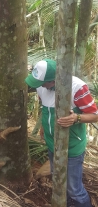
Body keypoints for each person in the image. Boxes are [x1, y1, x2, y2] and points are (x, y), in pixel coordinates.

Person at [25, 59, 98, 207]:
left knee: (74, 189)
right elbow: (45, 109)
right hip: (52, 144)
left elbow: (95, 115)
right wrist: (43, 126)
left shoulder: (77, 87)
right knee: (59, 180)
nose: (38, 86)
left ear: (53, 80)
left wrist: (76, 117)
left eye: (42, 83)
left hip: (72, 146)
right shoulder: (41, 87)